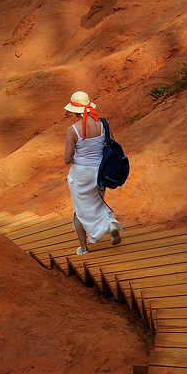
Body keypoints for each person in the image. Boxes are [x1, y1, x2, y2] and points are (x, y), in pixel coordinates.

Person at [64, 90, 122, 255]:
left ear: (74, 111)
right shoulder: (103, 124)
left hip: (81, 174)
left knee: (79, 210)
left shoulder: (73, 130)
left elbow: (67, 159)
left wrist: (80, 156)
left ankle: (83, 248)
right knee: (97, 202)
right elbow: (113, 145)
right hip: (101, 172)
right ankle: (110, 223)